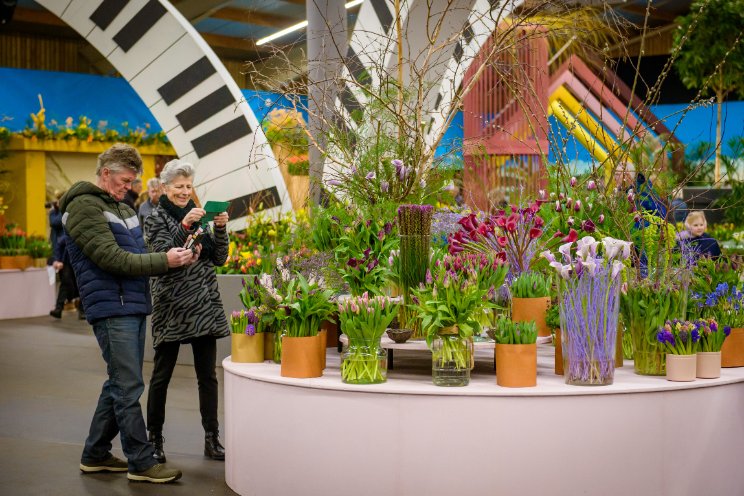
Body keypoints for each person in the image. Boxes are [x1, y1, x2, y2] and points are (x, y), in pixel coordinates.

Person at [60, 143, 196, 484]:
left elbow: (140, 252)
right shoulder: (83, 208)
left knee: (120, 383)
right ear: (105, 174)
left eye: (133, 181)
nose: (129, 187)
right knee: (128, 385)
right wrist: (166, 261)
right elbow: (114, 259)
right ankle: (141, 461)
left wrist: (174, 250)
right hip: (111, 307)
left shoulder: (123, 208)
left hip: (131, 303)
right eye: (124, 180)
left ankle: (95, 454)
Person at [144, 159, 230, 463]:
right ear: (166, 188)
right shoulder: (154, 218)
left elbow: (219, 258)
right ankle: (154, 439)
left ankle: (212, 438)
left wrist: (219, 229)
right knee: (161, 375)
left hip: (203, 306)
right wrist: (184, 226)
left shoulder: (202, 219)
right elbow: (162, 254)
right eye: (179, 186)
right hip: (171, 305)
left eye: (188, 186)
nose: (184, 191)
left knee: (208, 376)